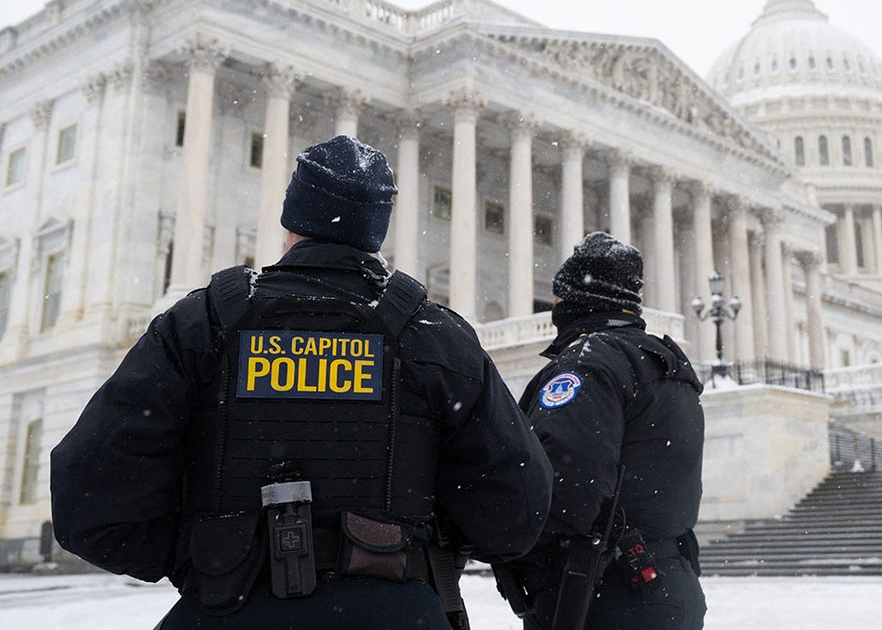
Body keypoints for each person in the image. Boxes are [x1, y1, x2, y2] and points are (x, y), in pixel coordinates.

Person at [50, 135, 553, 629]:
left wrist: (211, 553)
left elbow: (88, 501)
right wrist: (414, 543)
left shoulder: (199, 325)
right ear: (374, 233)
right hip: (395, 608)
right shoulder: (434, 336)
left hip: (226, 607)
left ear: (291, 224)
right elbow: (518, 510)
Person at [498, 231, 707, 630]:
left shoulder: (591, 363)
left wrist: (510, 545)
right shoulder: (667, 366)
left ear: (576, 300)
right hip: (666, 581)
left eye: (559, 298)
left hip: (600, 589)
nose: (554, 307)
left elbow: (564, 487)